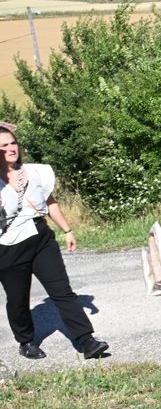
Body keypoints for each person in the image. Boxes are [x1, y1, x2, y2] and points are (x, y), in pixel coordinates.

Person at [0, 124, 108, 360]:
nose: (10, 148)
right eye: (3, 146)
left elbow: (50, 202)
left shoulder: (35, 172)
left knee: (62, 291)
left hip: (41, 239)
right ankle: (26, 341)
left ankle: (86, 341)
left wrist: (67, 230)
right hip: (8, 246)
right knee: (18, 299)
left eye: (12, 143)